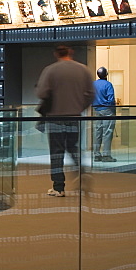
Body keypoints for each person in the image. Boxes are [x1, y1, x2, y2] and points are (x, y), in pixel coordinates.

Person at [35, 45, 94, 197]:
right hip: (74, 116)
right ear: (71, 52)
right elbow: (91, 94)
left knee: (56, 152)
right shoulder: (83, 70)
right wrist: (80, 107)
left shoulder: (50, 70)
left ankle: (58, 187)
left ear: (56, 54)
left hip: (55, 117)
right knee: (73, 147)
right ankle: (81, 171)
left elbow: (41, 92)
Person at [92, 67, 117, 162]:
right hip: (107, 110)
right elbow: (111, 100)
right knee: (108, 132)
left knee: (98, 132)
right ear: (106, 74)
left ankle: (96, 154)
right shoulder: (108, 84)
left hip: (96, 110)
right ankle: (106, 155)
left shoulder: (93, 84)